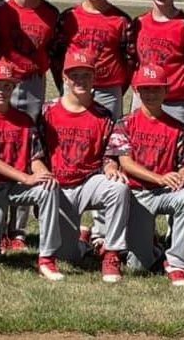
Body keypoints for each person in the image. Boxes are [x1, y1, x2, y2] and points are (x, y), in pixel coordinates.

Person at [40, 51, 130, 283]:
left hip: (90, 182)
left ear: (94, 78)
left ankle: (111, 253)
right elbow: (35, 152)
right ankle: (82, 240)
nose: (80, 80)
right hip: (57, 186)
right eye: (74, 75)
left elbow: (111, 151)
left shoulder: (104, 115)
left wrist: (110, 166)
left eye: (86, 75)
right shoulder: (46, 112)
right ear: (65, 78)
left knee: (118, 187)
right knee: (69, 257)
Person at [0, 0, 59, 252]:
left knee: (25, 148)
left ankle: (17, 230)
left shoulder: (50, 13)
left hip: (32, 83)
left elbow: (56, 55)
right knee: (0, 144)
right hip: (4, 83)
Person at [106, 64, 184, 286]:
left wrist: (182, 177)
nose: (150, 94)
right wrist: (159, 177)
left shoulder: (177, 127)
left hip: (165, 192)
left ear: (166, 91)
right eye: (145, 89)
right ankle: (155, 248)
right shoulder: (125, 123)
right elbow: (126, 163)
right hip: (137, 195)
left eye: (156, 89)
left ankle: (177, 263)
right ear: (137, 91)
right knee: (139, 265)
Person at [0, 60, 63, 280]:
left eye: (7, 86)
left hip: (17, 187)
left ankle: (47, 258)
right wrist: (26, 177)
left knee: (48, 187)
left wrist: (42, 172)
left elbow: (34, 156)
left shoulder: (24, 120)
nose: (1, 91)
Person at [52, 0, 132, 120]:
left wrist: (117, 87)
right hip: (75, 86)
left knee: (109, 137)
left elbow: (130, 60)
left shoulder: (121, 20)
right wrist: (64, 83)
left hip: (108, 91)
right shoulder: (69, 17)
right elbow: (56, 55)